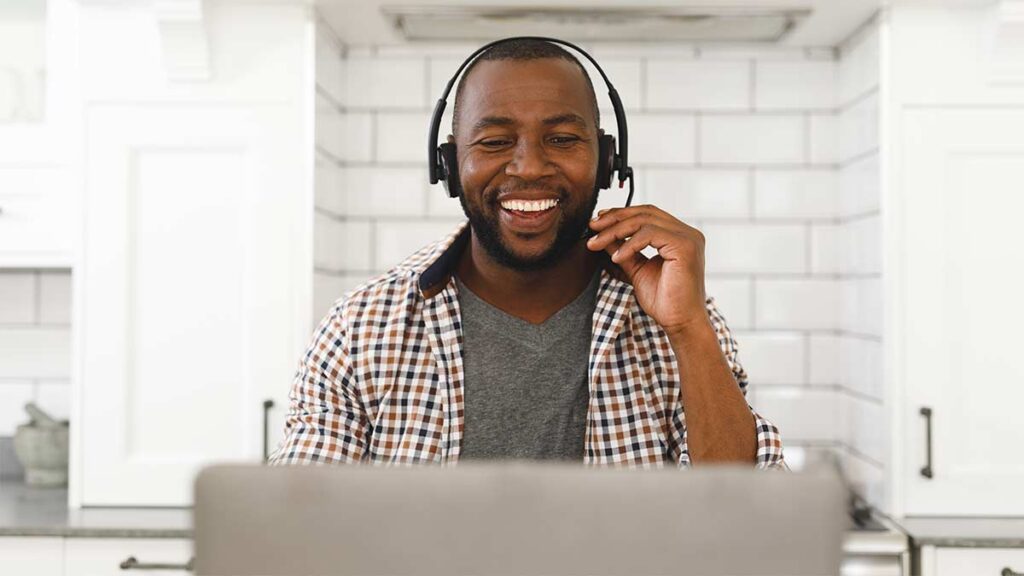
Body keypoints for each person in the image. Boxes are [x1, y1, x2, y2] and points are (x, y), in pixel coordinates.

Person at [270, 38, 785, 468]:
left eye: (561, 138)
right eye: (494, 142)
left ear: (608, 161)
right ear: (449, 165)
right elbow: (298, 530)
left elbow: (744, 520)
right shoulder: (361, 326)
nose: (529, 167)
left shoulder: (681, 319)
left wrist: (688, 328)